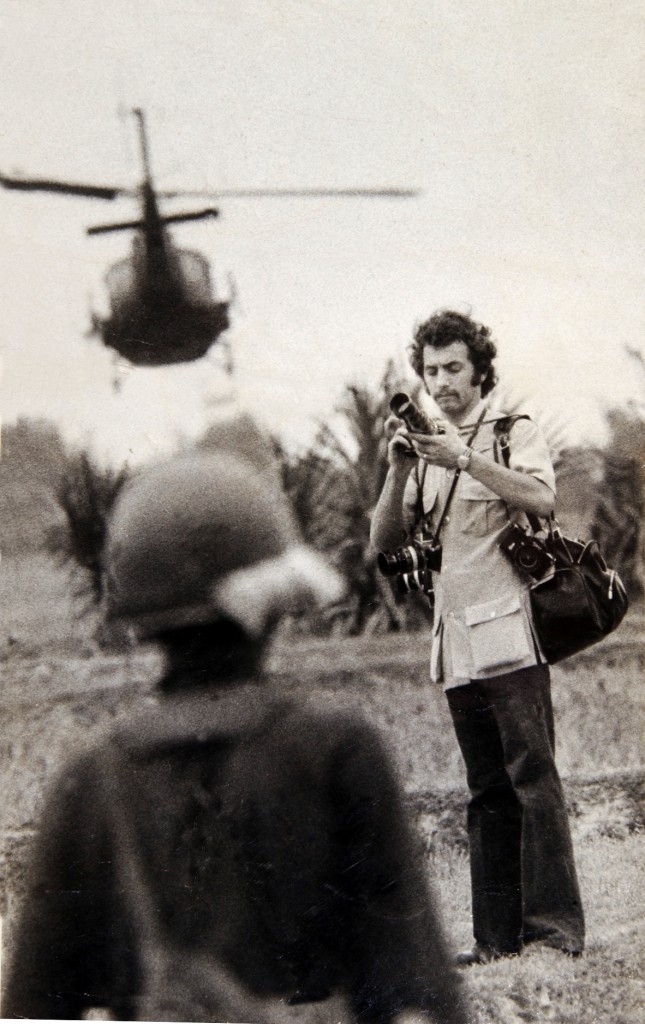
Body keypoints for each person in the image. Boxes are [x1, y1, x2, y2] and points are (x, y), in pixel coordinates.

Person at [2, 430, 469, 1023]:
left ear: (139, 616)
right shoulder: (338, 752)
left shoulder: (90, 781)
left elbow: (32, 1007)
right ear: (273, 605)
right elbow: (420, 993)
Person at [371, 310, 585, 966]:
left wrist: (462, 455)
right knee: (485, 790)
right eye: (430, 370)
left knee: (531, 777)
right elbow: (382, 547)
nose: (441, 383)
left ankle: (553, 932)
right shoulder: (424, 456)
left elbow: (541, 499)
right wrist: (400, 469)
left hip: (511, 638)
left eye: (453, 368)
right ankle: (495, 940)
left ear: (479, 368)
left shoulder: (507, 431)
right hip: (457, 644)